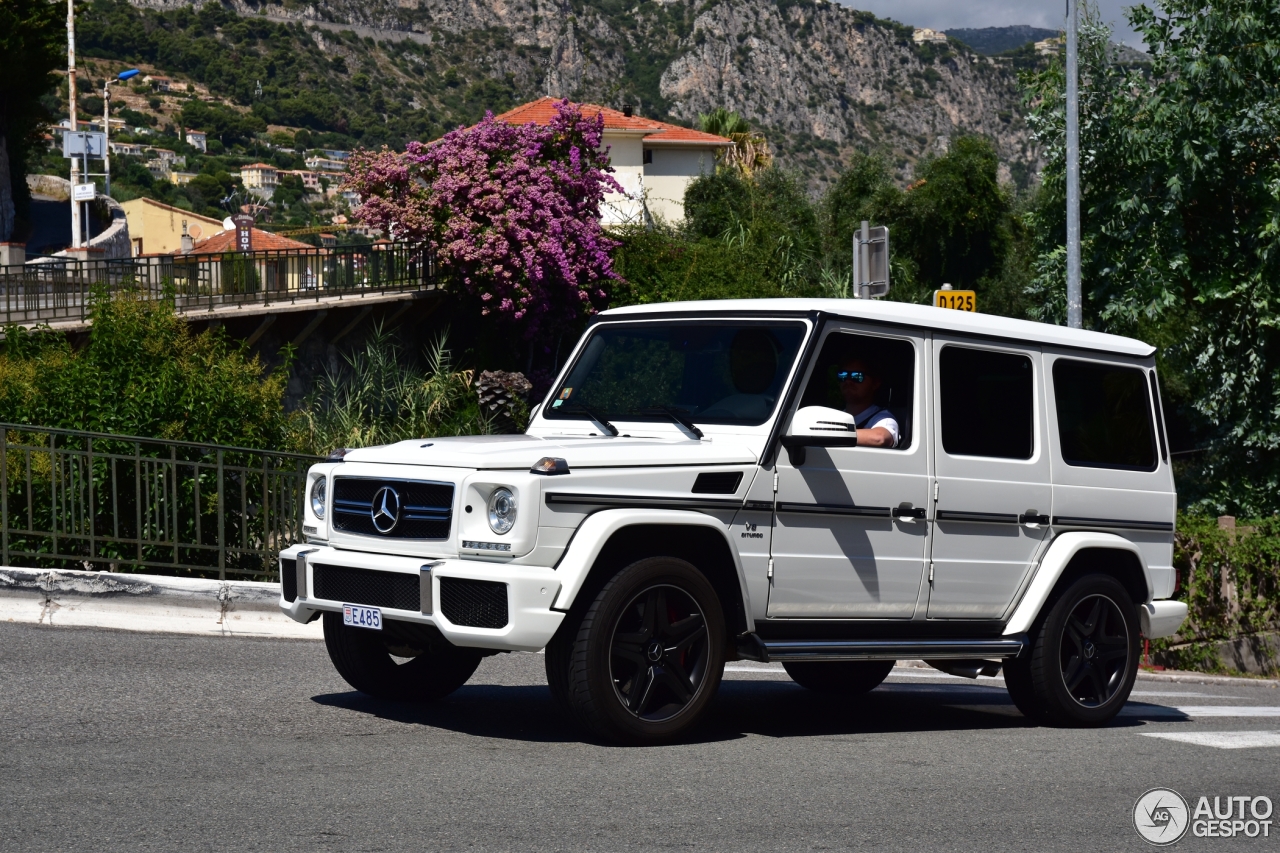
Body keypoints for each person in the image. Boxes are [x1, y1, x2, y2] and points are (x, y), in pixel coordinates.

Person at [838, 357, 899, 448]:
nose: (848, 381)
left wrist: (829, 434)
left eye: (857, 376)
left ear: (875, 383)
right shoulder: (836, 417)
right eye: (843, 375)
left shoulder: (883, 418)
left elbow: (880, 438)